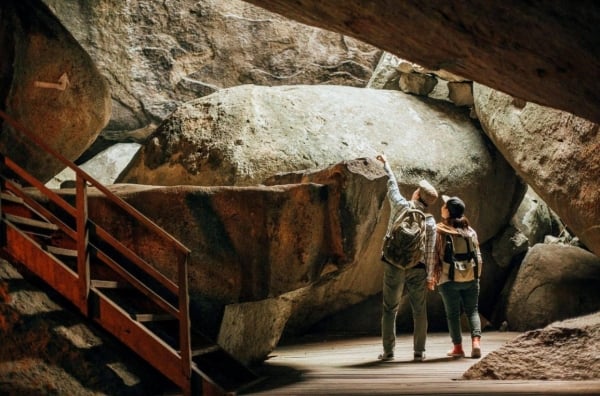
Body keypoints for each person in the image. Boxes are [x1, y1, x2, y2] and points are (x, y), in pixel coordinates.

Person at [375, 154, 438, 362]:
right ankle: (419, 352)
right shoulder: (429, 223)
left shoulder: (401, 205)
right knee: (419, 310)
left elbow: (391, 186)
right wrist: (429, 276)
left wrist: (387, 164)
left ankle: (388, 352)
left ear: (416, 193)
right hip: (417, 268)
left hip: (393, 263)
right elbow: (429, 253)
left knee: (389, 308)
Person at [434, 195, 483, 359]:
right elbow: (478, 256)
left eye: (444, 205)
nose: (442, 207)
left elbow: (436, 256)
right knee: (473, 311)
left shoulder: (441, 231)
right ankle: (476, 344)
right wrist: (476, 277)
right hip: (471, 277)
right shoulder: (471, 232)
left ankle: (458, 348)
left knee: (453, 314)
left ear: (448, 212)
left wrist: (433, 277)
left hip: (448, 280)